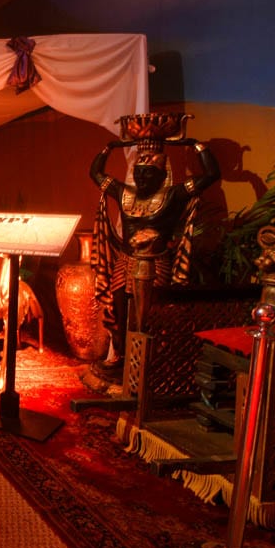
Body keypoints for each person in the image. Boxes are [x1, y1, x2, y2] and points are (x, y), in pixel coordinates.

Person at [89, 135, 220, 380]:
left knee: (153, 314)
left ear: (162, 175)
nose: (141, 178)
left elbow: (211, 174)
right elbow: (95, 174)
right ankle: (121, 355)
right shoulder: (124, 192)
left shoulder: (173, 195)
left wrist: (196, 145)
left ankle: (151, 360)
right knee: (118, 310)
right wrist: (108, 148)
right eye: (138, 172)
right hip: (125, 261)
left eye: (148, 173)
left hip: (156, 262)